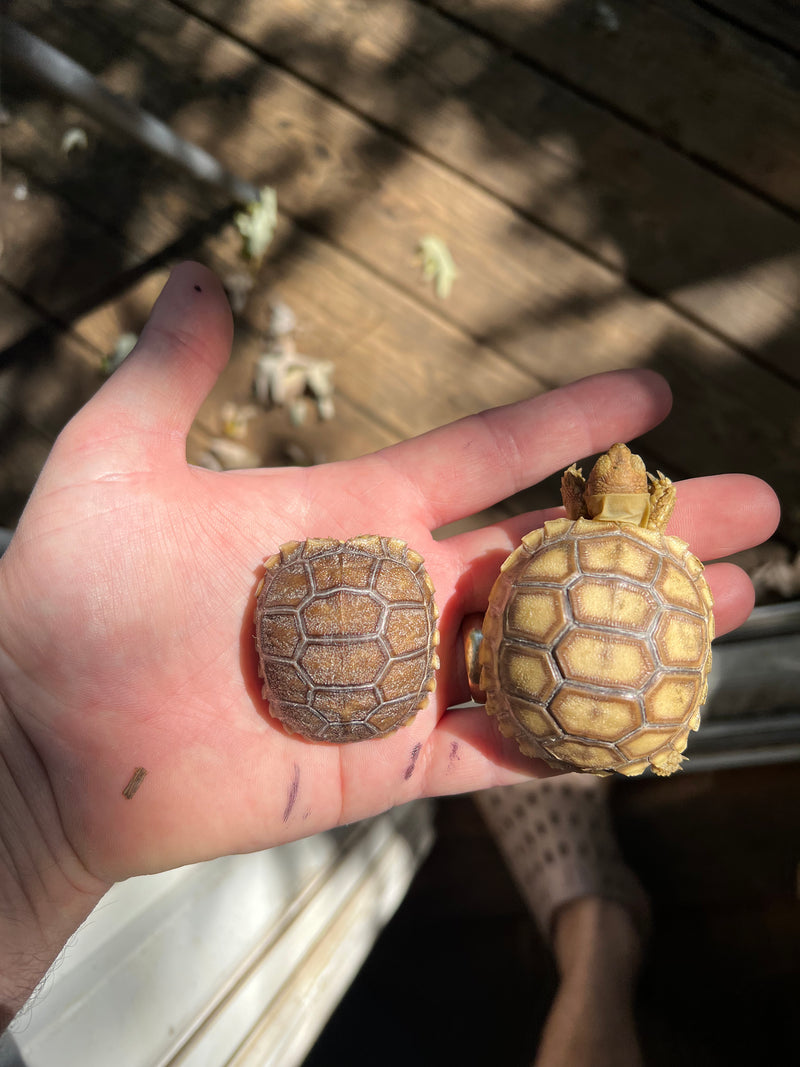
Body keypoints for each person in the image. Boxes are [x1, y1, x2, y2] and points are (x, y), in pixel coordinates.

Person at [0, 262, 779, 1039]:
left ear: (580, 497)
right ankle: (600, 932)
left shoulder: (553, 555)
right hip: (601, 701)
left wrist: (28, 799)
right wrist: (29, 804)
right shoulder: (662, 564)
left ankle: (595, 934)